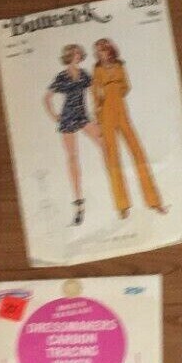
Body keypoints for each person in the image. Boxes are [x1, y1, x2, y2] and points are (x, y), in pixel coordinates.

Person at [92, 38, 167, 220]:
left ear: (109, 50)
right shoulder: (97, 70)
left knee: (138, 153)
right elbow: (95, 95)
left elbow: (126, 87)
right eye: (97, 51)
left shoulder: (120, 66)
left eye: (102, 50)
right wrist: (99, 119)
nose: (100, 54)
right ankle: (122, 206)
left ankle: (154, 201)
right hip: (106, 114)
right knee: (113, 159)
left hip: (122, 112)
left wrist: (115, 89)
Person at [45, 44, 101, 227]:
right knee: (72, 158)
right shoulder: (62, 76)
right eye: (74, 53)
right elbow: (47, 98)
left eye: (78, 53)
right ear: (68, 56)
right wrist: (55, 116)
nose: (77, 56)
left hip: (83, 116)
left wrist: (97, 114)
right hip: (68, 118)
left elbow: (94, 93)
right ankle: (79, 204)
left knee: (105, 144)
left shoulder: (84, 74)